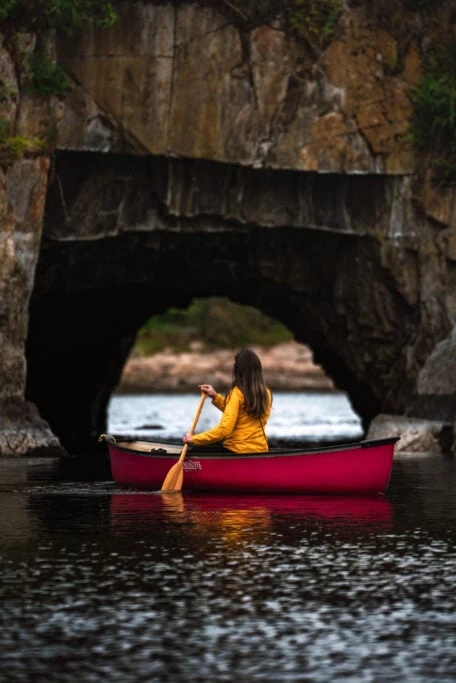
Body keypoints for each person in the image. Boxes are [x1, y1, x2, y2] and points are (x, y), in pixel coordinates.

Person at [183, 348, 272, 453]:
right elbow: (240, 414)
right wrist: (216, 397)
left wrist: (194, 439)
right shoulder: (266, 393)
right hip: (260, 449)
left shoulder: (237, 393)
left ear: (238, 370)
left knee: (193, 450)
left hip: (237, 449)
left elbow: (224, 430)